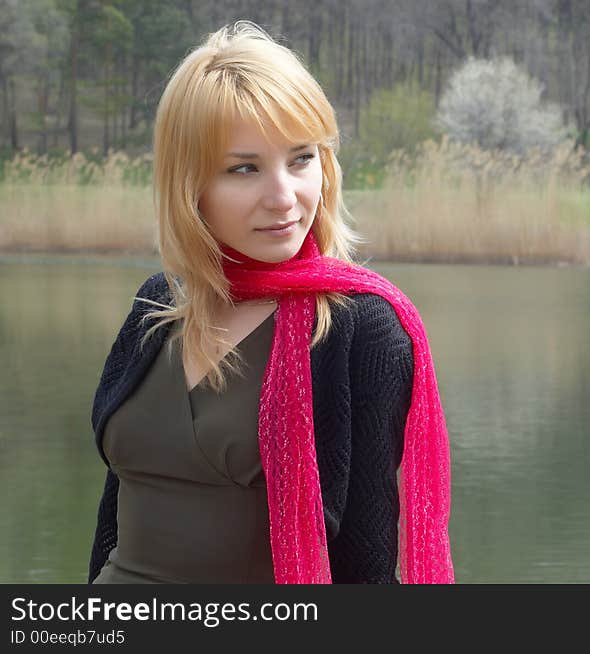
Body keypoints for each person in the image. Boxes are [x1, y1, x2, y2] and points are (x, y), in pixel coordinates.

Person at [87, 21, 454, 584]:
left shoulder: (360, 328)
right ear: (190, 185)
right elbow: (118, 512)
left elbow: (367, 562)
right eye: (244, 168)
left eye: (301, 158)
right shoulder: (159, 305)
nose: (284, 197)